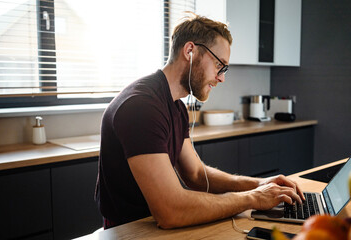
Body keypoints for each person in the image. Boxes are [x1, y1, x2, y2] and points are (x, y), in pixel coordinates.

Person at [95, 13, 305, 230]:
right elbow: (171, 211)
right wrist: (252, 198)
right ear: (190, 51)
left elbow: (195, 174)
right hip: (131, 231)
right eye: (219, 65)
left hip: (154, 226)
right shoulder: (141, 107)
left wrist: (259, 184)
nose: (222, 77)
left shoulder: (176, 106)